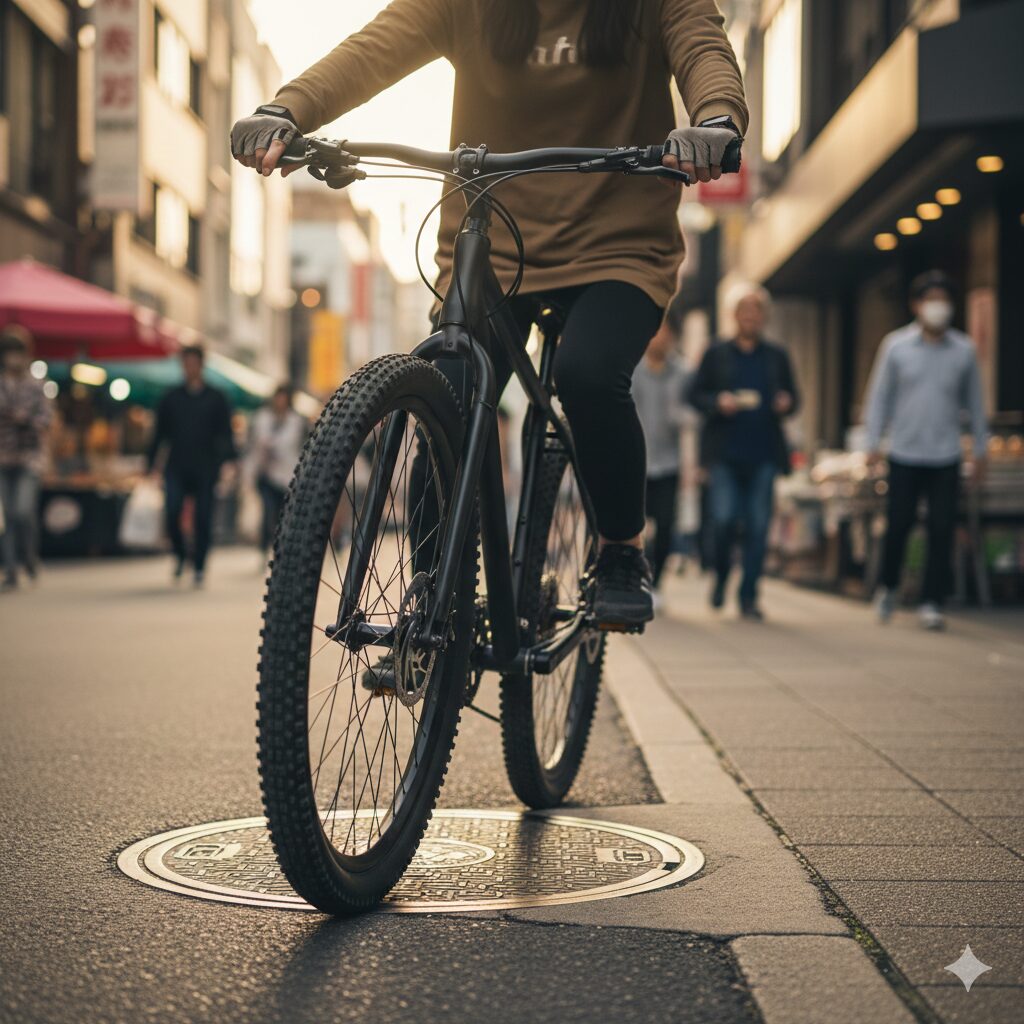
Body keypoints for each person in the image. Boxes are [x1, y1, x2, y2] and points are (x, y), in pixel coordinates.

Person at [229, 0, 748, 630]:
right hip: (493, 241)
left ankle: (619, 552)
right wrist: (287, 108)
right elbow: (375, 47)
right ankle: (432, 587)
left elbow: (702, 48)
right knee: (450, 394)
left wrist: (715, 119)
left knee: (587, 376)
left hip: (618, 241)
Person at [865, 270, 988, 631]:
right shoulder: (896, 346)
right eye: (931, 300)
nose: (938, 307)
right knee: (898, 525)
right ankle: (888, 586)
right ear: (916, 305)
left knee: (941, 528)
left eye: (944, 300)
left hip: (946, 454)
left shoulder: (964, 350)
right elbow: (879, 397)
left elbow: (977, 406)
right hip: (903, 452)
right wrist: (873, 443)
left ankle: (932, 600)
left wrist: (980, 450)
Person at [688, 287, 799, 619]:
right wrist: (717, 402)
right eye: (745, 311)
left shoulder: (776, 356)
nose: (750, 317)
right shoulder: (716, 353)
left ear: (763, 317)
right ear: (734, 316)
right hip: (724, 454)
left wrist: (785, 403)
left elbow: (794, 398)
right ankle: (721, 576)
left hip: (764, 454)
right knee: (722, 521)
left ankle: (748, 595)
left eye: (756, 312)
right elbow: (695, 395)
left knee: (758, 526)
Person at [148, 345, 236, 587]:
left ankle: (199, 564)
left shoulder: (216, 397)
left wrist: (229, 461)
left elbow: (226, 434)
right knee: (172, 510)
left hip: (207, 466)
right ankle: (179, 553)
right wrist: (151, 465)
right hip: (176, 465)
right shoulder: (171, 397)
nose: (190, 367)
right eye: (186, 363)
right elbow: (159, 434)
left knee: (203, 517)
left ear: (201, 365)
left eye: (193, 362)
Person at [633, 318, 688, 602]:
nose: (661, 339)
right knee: (634, 524)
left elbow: (694, 413)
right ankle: (636, 578)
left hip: (669, 462)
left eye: (667, 333)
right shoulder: (632, 368)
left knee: (665, 525)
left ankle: (656, 582)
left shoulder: (683, 373)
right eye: (657, 332)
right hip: (637, 460)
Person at [0, 326, 52, 591]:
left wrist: (26, 419)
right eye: (9, 353)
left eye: (17, 353)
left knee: (23, 510)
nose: (14, 359)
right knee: (7, 515)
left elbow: (47, 420)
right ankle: (10, 568)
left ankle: (29, 557)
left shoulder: (36, 387)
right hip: (3, 458)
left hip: (30, 458)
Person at [247, 385, 307, 555]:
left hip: (287, 475)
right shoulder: (262, 418)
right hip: (265, 473)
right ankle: (264, 545)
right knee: (268, 509)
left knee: (283, 512)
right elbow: (254, 443)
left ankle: (281, 546)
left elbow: (298, 446)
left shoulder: (296, 421)